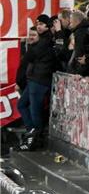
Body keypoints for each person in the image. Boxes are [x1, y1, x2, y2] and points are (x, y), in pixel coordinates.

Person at [16, 19, 58, 150]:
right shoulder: (38, 44)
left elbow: (27, 60)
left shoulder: (44, 44)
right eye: (30, 35)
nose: (31, 38)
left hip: (39, 81)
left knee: (35, 112)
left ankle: (36, 139)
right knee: (21, 104)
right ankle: (32, 133)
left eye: (34, 35)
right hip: (33, 80)